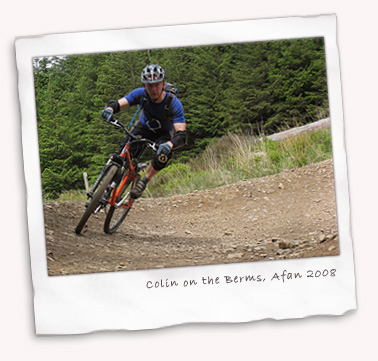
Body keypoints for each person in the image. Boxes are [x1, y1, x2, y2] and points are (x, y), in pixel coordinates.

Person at [101, 64, 187, 199]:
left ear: (163, 84)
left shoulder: (174, 103)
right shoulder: (140, 94)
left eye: (157, 85)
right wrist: (109, 110)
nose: (153, 89)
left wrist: (169, 145)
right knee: (119, 157)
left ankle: (144, 180)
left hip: (163, 134)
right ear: (145, 86)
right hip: (143, 128)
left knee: (163, 156)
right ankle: (103, 192)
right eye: (149, 85)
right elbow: (118, 104)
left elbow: (181, 135)